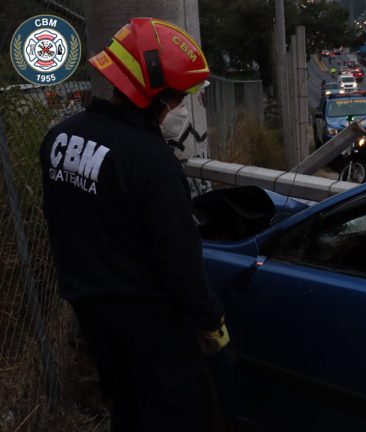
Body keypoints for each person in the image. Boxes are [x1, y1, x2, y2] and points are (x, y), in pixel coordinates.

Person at [39, 18, 228, 431]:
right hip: (152, 326)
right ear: (156, 96)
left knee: (126, 406)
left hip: (93, 315)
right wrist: (210, 322)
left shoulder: (59, 138)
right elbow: (180, 261)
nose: (178, 107)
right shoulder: (151, 161)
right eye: (177, 98)